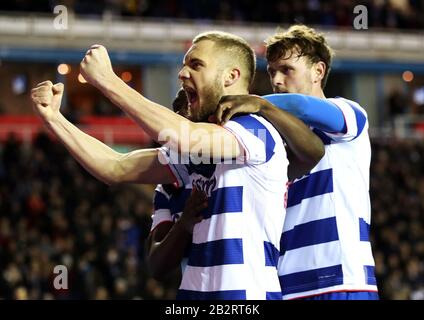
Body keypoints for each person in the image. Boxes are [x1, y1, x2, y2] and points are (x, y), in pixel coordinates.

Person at [31, 30, 324, 300]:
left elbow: (186, 137)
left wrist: (109, 81)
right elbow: (115, 167)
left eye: (196, 65)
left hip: (244, 297)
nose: (182, 73)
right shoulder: (197, 150)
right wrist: (55, 119)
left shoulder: (257, 129)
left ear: (230, 76)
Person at [215, 25, 379, 300]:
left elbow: (302, 107)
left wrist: (257, 103)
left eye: (287, 70)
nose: (277, 80)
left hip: (340, 280)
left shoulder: (350, 114)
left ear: (318, 71)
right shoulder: (271, 136)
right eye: (271, 72)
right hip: (283, 283)